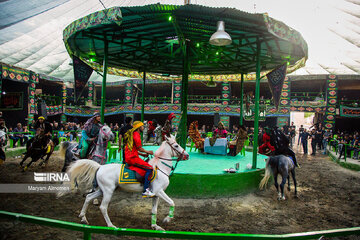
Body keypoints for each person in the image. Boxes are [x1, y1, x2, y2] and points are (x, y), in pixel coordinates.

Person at [124, 121, 155, 197]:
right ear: (138, 127)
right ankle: (146, 190)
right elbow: (139, 148)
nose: (143, 127)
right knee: (150, 168)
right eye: (142, 126)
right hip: (132, 158)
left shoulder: (133, 134)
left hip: (130, 156)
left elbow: (134, 149)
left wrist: (142, 154)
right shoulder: (136, 135)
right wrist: (148, 152)